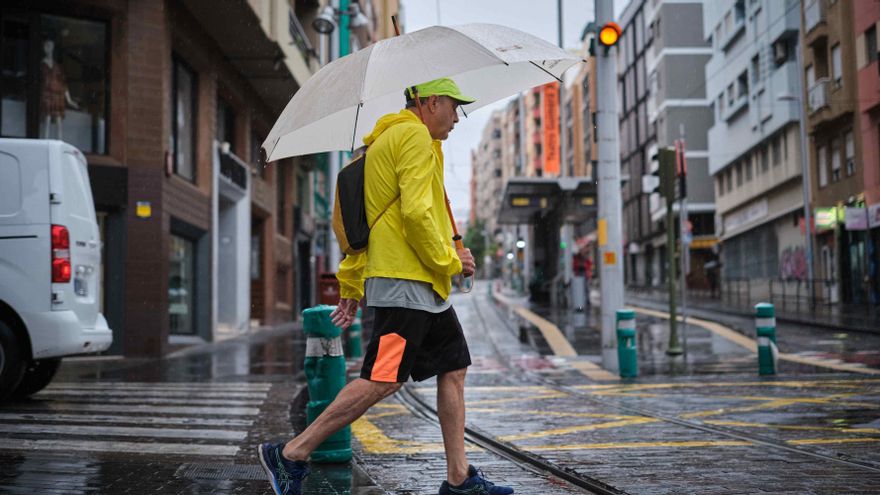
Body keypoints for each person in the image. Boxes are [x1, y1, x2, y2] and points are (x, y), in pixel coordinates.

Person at [258, 78, 514, 495]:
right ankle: (291, 453)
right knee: (384, 378)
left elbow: (365, 226)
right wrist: (451, 261)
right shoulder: (412, 136)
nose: (456, 117)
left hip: (420, 288)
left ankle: (458, 478)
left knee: (453, 368)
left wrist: (353, 284)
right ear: (430, 102)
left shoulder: (384, 144)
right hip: (406, 283)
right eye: (453, 107)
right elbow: (413, 217)